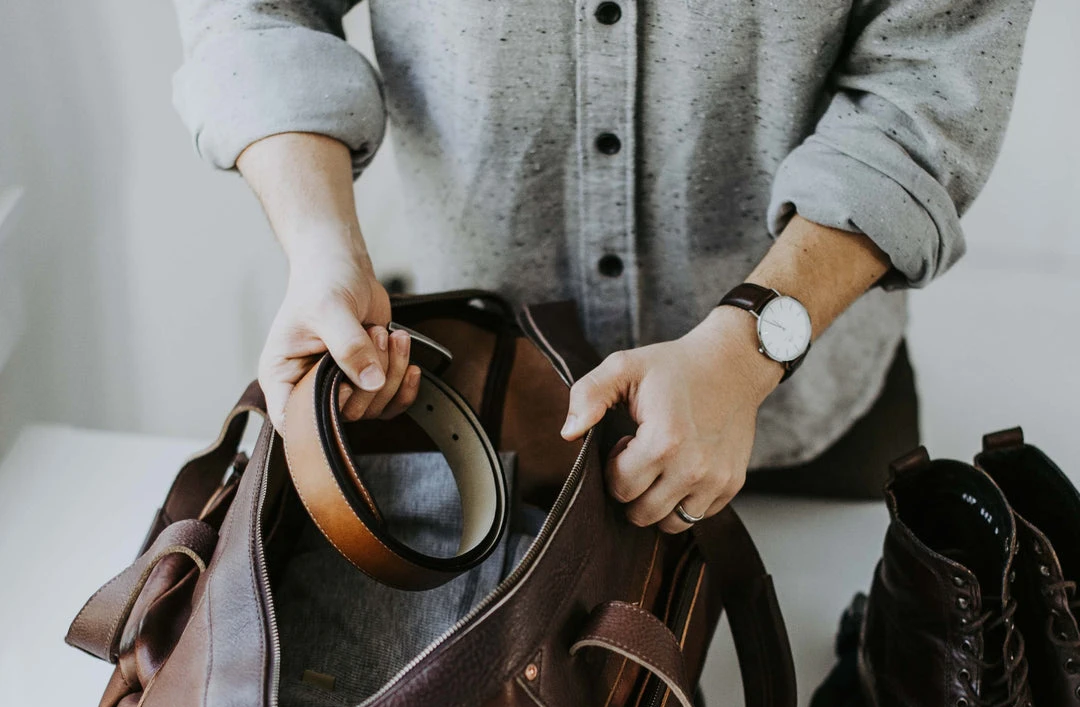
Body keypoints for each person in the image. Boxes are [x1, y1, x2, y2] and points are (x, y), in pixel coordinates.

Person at [171, 0, 1033, 529]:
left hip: (807, 409)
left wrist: (748, 352)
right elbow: (257, 9)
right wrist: (321, 244)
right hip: (479, 417)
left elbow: (926, 93)